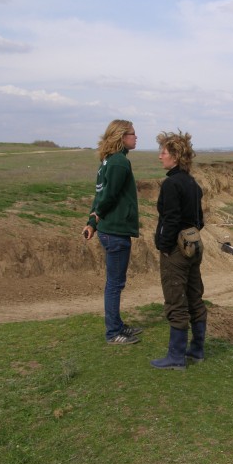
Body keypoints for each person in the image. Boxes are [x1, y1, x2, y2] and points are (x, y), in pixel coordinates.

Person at [82, 120, 142, 345]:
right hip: (116, 232)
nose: (136, 137)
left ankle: (118, 326)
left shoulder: (108, 161)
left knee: (114, 283)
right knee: (115, 284)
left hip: (111, 230)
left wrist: (92, 221)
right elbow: (107, 198)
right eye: (133, 134)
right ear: (121, 136)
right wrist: (95, 219)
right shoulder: (119, 163)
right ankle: (113, 333)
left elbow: (99, 195)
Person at [150, 130, 207, 370]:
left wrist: (163, 246)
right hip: (194, 247)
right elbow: (199, 220)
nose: (160, 156)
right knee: (194, 296)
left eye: (163, 152)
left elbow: (170, 220)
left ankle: (176, 357)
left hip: (176, 250)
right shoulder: (191, 182)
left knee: (175, 300)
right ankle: (197, 349)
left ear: (175, 156)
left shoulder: (172, 183)